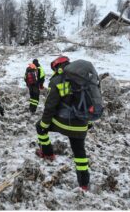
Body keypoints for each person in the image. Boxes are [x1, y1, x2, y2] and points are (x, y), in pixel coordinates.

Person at [35, 55, 92, 191]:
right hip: (82, 123)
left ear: (57, 66)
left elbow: (50, 107)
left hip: (64, 123)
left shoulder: (57, 81)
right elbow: (90, 103)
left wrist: (44, 124)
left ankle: (48, 153)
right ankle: (84, 184)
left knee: (39, 127)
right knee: (79, 152)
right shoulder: (83, 79)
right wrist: (87, 122)